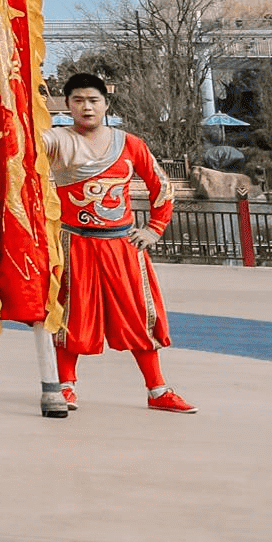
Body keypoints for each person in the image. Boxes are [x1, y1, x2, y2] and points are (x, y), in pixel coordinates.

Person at [45, 71, 194, 414]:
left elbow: (162, 186)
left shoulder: (130, 143)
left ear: (106, 105)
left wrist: (155, 228)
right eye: (78, 100)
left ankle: (158, 390)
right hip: (75, 245)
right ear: (66, 106)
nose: (86, 107)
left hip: (122, 246)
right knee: (71, 316)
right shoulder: (57, 140)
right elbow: (27, 147)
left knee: (141, 316)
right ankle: (65, 386)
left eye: (93, 100)